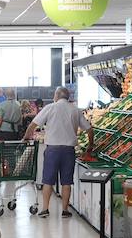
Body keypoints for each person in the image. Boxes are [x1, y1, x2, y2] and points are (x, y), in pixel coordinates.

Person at [24, 86, 91, 219]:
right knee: (67, 182)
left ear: (56, 95)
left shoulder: (50, 107)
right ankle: (65, 210)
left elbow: (33, 125)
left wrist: (25, 137)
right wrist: (91, 146)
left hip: (52, 150)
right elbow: (89, 129)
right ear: (68, 97)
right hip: (68, 150)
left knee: (48, 181)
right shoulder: (76, 110)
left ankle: (45, 209)